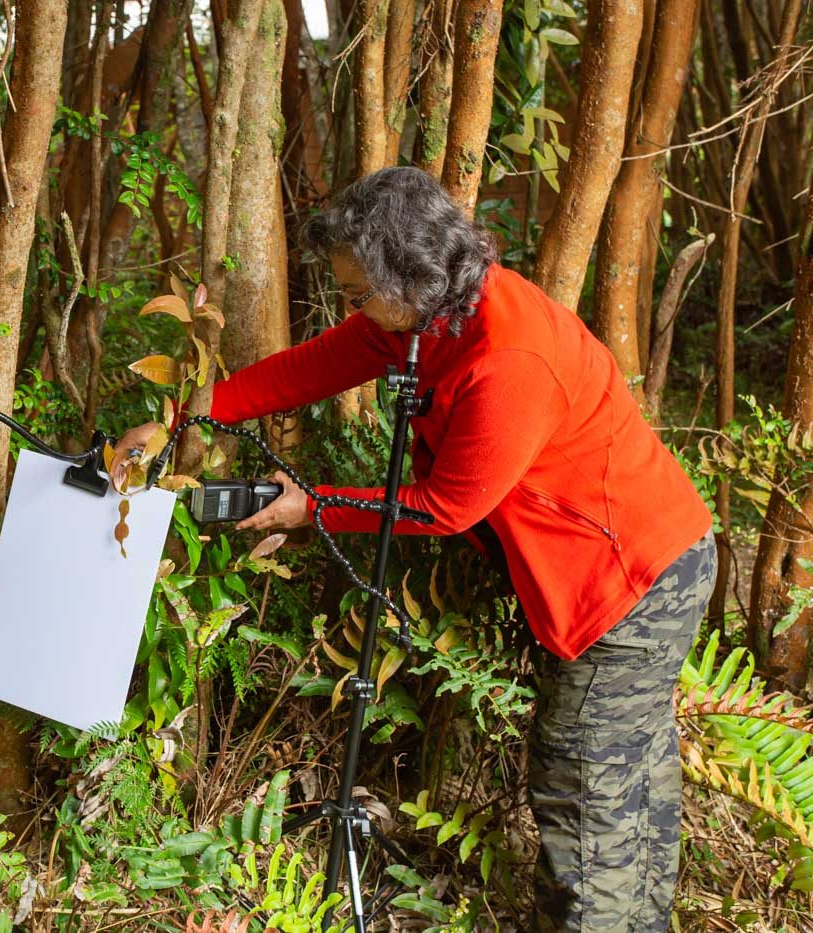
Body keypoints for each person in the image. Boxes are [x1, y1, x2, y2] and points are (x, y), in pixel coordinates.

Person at [112, 166, 714, 932]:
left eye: (359, 292)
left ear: (413, 274)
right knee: (624, 779)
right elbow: (316, 364)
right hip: (643, 559)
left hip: (630, 584)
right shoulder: (432, 311)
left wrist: (308, 508)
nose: (351, 306)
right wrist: (179, 418)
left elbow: (446, 507)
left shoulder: (508, 359)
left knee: (586, 782)